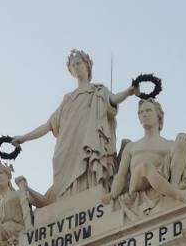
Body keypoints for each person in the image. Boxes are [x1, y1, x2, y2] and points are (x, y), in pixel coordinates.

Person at [10, 49, 136, 202]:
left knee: (89, 166)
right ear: (71, 71)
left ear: (87, 65)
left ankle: (91, 196)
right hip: (67, 146)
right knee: (64, 179)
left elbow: (114, 99)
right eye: (73, 65)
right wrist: (23, 138)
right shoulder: (68, 99)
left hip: (89, 141)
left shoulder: (98, 90)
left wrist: (129, 92)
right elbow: (48, 125)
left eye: (79, 63)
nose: (76, 67)